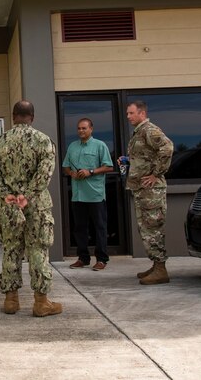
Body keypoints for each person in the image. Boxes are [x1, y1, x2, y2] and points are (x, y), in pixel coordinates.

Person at [0, 100, 62, 317]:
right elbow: (45, 173)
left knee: (11, 249)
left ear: (13, 116)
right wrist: (27, 196)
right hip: (36, 206)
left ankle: (11, 300)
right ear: (32, 117)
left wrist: (5, 193)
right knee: (38, 249)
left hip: (8, 207)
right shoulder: (43, 140)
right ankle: (41, 302)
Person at [125, 100, 174, 285]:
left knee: (153, 227)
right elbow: (144, 156)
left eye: (131, 113)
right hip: (143, 189)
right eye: (128, 113)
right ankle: (156, 265)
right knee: (146, 228)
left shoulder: (149, 130)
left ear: (142, 113)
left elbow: (167, 147)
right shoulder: (139, 132)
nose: (128, 116)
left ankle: (161, 269)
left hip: (152, 190)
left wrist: (156, 173)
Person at [62, 118, 114, 271]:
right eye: (79, 128)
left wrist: (90, 172)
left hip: (95, 195)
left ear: (91, 129)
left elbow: (109, 167)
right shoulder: (72, 146)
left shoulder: (100, 145)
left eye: (84, 128)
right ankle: (83, 258)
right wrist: (71, 173)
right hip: (78, 195)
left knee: (100, 227)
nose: (81, 131)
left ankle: (102, 259)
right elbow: (65, 166)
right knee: (80, 228)